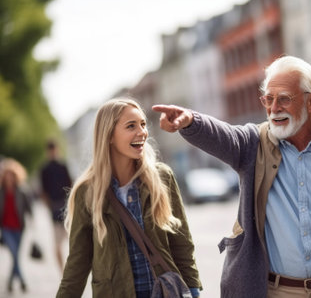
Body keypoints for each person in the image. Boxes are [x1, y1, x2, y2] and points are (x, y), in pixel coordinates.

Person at [153, 56, 311, 298]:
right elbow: (224, 136)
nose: (273, 108)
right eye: (268, 98)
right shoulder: (253, 145)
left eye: (284, 99)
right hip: (279, 291)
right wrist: (191, 121)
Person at [56, 97, 202, 298]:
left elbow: (182, 243)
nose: (142, 132)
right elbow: (77, 263)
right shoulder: (88, 191)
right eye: (131, 126)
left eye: (143, 124)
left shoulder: (161, 178)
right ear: (109, 136)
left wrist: (193, 290)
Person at [0, 158, 32, 293]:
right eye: (6, 175)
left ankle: (10, 282)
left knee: (16, 256)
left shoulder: (22, 191)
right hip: (6, 227)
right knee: (14, 254)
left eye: (11, 175)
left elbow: (29, 208)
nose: (9, 178)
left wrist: (32, 219)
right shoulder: (1, 192)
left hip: (19, 227)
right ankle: (23, 281)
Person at [40, 139, 72, 273]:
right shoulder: (45, 169)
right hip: (55, 208)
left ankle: (69, 270)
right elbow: (43, 192)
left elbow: (71, 186)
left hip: (66, 208)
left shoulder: (63, 166)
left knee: (72, 241)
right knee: (58, 244)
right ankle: (63, 271)